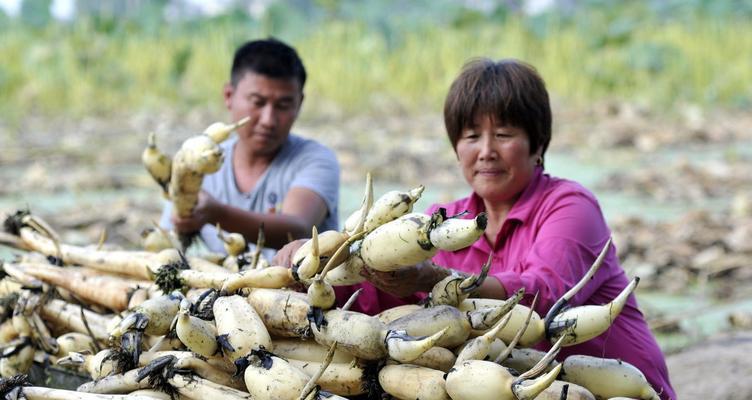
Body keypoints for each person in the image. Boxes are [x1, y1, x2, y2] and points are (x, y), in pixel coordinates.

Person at [275, 58, 675, 399]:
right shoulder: (440, 223)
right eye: (471, 136)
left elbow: (545, 295)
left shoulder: (570, 206)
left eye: (503, 134)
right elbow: (371, 300)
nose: (486, 151)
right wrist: (312, 268)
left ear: (538, 145)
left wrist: (439, 279)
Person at [161, 38, 340, 258]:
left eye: (283, 105)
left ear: (299, 103)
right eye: (257, 102)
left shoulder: (316, 160)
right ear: (229, 96)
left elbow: (298, 228)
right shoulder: (199, 162)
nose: (268, 119)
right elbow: (168, 242)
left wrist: (218, 214)